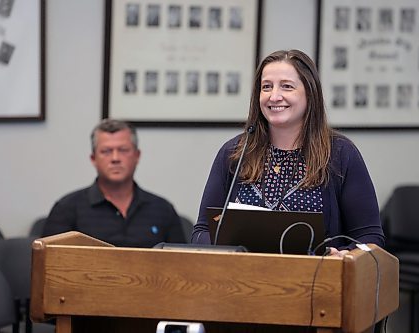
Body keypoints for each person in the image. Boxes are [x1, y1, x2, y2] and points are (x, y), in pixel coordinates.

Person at [191, 50, 384, 256]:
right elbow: (201, 232)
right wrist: (227, 247)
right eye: (266, 87)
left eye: (287, 86)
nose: (274, 96)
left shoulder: (340, 154)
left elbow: (370, 239)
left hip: (317, 282)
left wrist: (343, 255)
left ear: (310, 92)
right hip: (243, 281)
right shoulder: (235, 153)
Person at [42, 119, 186, 247]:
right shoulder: (67, 209)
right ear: (93, 159)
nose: (115, 158)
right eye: (106, 151)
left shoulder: (162, 210)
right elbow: (48, 267)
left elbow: (182, 267)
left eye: (123, 150)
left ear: (137, 156)